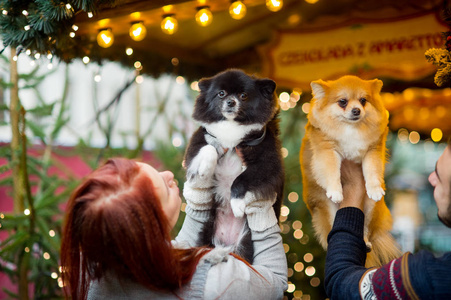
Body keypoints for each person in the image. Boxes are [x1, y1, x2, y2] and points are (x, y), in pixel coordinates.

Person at [60, 158, 287, 299]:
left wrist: (198, 204)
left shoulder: (96, 268)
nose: (168, 174)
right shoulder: (217, 281)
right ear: (151, 228)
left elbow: (174, 257)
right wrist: (259, 206)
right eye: (164, 188)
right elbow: (275, 283)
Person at [325, 139, 451, 299]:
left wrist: (353, 185)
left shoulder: (428, 276)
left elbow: (341, 282)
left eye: (439, 176)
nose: (431, 179)